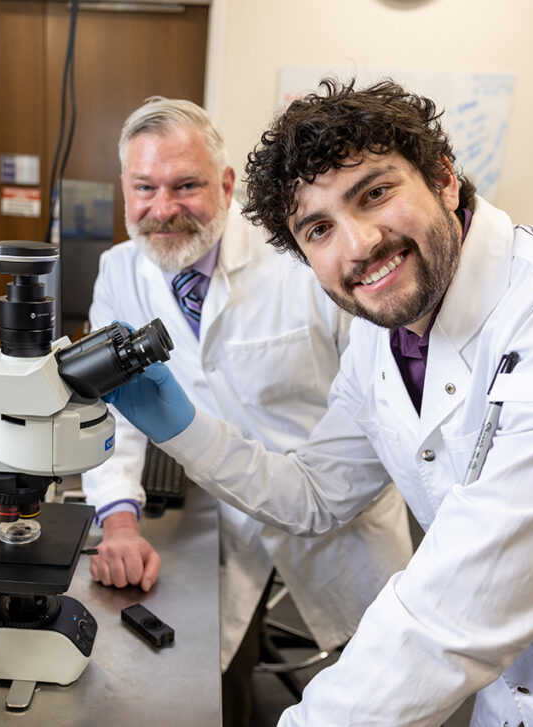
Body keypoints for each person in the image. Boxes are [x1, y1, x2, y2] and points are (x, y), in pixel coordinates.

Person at [103, 80, 533, 726]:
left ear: (444, 179)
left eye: (374, 193)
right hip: (513, 695)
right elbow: (314, 493)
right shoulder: (384, 342)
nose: (360, 243)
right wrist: (182, 427)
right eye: (318, 228)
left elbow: (459, 611)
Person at [81, 97, 414, 726]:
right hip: (227, 516)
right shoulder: (119, 273)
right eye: (144, 188)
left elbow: (379, 395)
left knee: (377, 689)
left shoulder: (303, 253)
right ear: (123, 188)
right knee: (216, 677)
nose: (163, 209)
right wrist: (120, 518)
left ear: (228, 185)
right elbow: (115, 409)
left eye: (186, 186)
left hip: (342, 516)